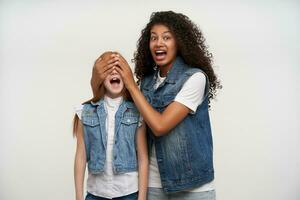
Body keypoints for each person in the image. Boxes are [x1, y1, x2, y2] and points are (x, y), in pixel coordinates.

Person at [91, 11, 221, 200]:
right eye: (154, 38)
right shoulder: (147, 83)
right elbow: (112, 106)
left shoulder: (195, 78)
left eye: (166, 37)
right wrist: (96, 78)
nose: (159, 43)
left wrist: (131, 84)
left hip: (192, 186)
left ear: (179, 43)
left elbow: (160, 126)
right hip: (153, 185)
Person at [73, 51, 148, 200]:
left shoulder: (137, 111)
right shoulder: (86, 112)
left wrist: (142, 197)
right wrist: (78, 197)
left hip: (128, 193)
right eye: (108, 69)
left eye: (119, 68)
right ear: (99, 77)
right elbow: (81, 156)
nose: (114, 71)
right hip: (96, 194)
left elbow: (143, 158)